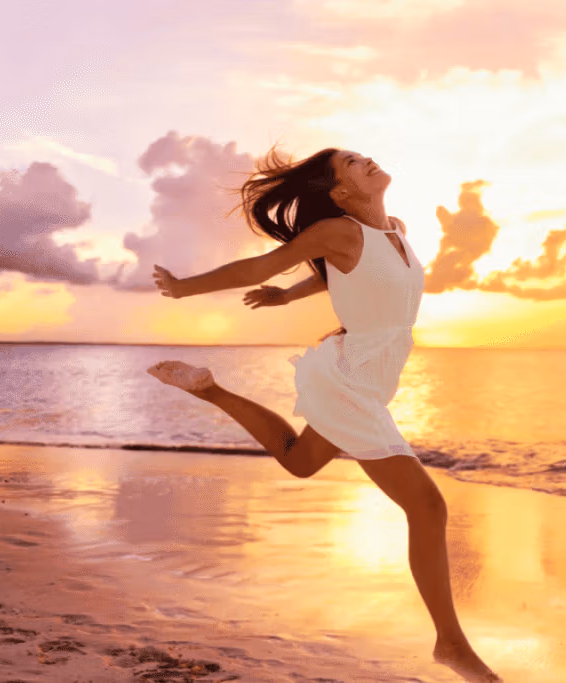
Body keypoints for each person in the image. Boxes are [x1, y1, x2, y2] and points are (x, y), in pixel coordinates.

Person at [146, 146, 501, 683]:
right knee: (427, 508)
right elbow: (257, 266)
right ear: (339, 192)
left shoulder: (396, 230)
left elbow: (347, 276)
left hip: (376, 375)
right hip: (353, 377)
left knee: (301, 460)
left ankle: (209, 389)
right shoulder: (337, 230)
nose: (367, 161)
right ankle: (451, 645)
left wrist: (290, 297)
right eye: (353, 163)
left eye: (362, 156)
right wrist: (182, 287)